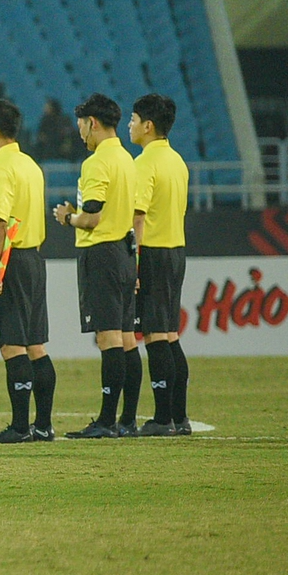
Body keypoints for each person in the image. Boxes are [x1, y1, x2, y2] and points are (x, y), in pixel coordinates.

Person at [53, 93, 138, 439]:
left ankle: (105, 421)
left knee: (108, 337)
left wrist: (67, 217)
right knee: (128, 337)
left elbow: (92, 217)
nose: (80, 135)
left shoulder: (96, 163)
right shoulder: (128, 159)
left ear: (93, 123)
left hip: (101, 254)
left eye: (81, 127)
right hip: (125, 251)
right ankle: (127, 419)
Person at [0, 100, 53, 444]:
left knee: (12, 345)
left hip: (10, 261)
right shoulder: (30, 166)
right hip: (34, 258)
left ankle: (20, 427)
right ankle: (44, 425)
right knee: (36, 344)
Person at [130, 93, 191, 436]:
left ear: (148, 126)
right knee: (170, 333)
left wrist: (135, 263)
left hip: (152, 251)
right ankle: (180, 417)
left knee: (154, 334)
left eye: (134, 120)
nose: (130, 126)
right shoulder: (177, 161)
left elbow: (138, 216)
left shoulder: (144, 164)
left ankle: (162, 418)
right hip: (176, 250)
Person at [32, 98, 82, 163]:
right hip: (49, 147)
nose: (45, 108)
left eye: (47, 106)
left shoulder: (64, 119)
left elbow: (69, 133)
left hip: (62, 146)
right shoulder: (44, 121)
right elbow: (41, 135)